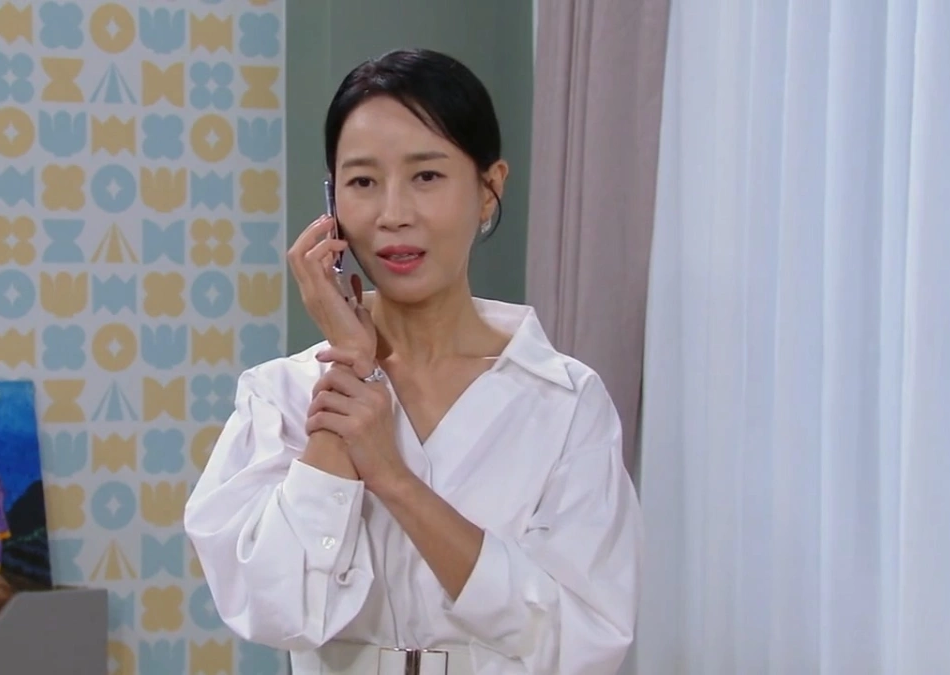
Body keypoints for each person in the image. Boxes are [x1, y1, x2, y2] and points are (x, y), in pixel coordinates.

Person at [183, 47, 643, 675]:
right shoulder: (281, 394)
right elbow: (277, 612)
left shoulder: (563, 401)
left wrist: (393, 478)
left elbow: (585, 638)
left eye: (426, 176)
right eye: (363, 182)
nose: (393, 214)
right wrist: (346, 376)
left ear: (489, 189)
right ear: (331, 204)